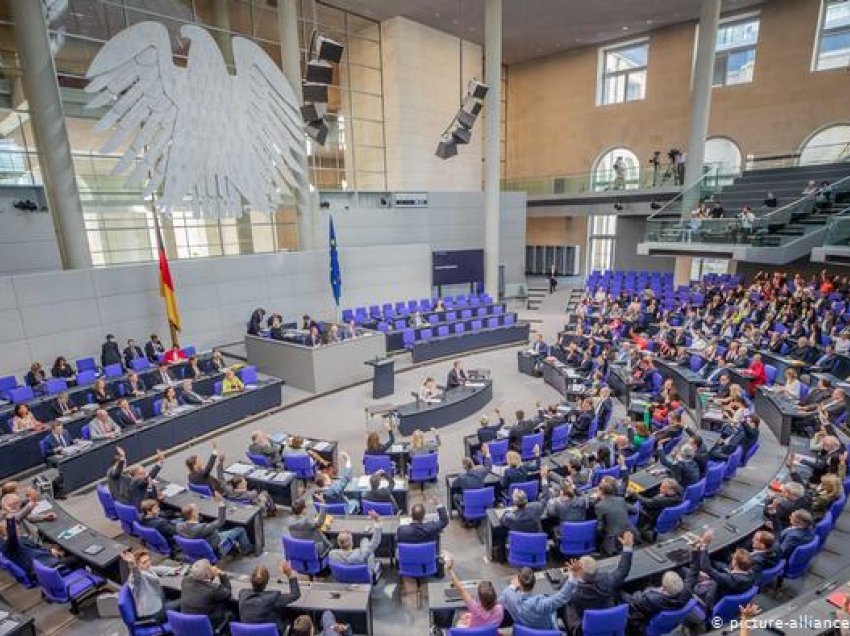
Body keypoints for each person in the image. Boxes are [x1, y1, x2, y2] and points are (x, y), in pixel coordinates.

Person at [563, 532, 634, 635]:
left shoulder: (573, 593)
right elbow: (622, 571)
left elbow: (563, 590)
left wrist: (572, 575)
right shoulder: (608, 580)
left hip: (587, 629)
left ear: (579, 572)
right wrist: (627, 548)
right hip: (610, 624)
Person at [498, 564, 579, 631]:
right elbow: (562, 597)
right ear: (534, 581)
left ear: (519, 582)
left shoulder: (509, 596)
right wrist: (573, 575)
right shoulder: (542, 603)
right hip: (546, 631)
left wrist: (512, 586)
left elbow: (501, 600)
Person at [176, 492, 253, 556]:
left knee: (218, 526)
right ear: (193, 514)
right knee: (240, 529)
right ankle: (247, 549)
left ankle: (233, 550)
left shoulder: (179, 526)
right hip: (215, 542)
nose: (198, 511)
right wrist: (221, 505)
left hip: (201, 543)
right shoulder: (201, 528)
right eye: (196, 510)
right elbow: (220, 521)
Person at [121, 548, 178, 625]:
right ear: (138, 565)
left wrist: (176, 570)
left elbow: (159, 569)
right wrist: (133, 565)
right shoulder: (136, 578)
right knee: (185, 602)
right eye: (144, 562)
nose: (148, 563)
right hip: (152, 614)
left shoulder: (147, 569)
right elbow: (136, 576)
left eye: (148, 560)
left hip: (158, 603)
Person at [237, 561, 301, 630]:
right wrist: (290, 574)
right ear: (267, 581)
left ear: (251, 580)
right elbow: (295, 594)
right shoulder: (273, 598)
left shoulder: (242, 594)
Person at [445, 556, 503, 629]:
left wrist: (450, 570)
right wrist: (471, 616)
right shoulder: (499, 610)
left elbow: (461, 589)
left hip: (473, 633)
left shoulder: (475, 608)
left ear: (480, 599)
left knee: (458, 617)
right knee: (467, 616)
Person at [624, 571, 692, 634]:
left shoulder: (649, 599)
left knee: (619, 592)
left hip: (641, 627)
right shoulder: (685, 597)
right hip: (663, 624)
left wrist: (642, 592)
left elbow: (635, 602)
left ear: (664, 587)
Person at [329, 509, 383, 581]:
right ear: (351, 542)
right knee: (368, 551)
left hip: (343, 580)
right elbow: (375, 542)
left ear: (338, 543)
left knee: (365, 544)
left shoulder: (332, 554)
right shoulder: (360, 554)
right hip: (363, 581)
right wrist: (377, 520)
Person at [180, 559, 232, 631]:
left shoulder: (185, 581)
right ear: (208, 574)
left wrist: (210, 574)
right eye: (210, 567)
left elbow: (204, 582)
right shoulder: (213, 589)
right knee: (231, 612)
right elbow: (227, 593)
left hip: (186, 624)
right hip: (206, 625)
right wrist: (222, 575)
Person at [593, 478, 635, 556]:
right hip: (630, 533)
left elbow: (600, 528)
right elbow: (634, 511)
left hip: (614, 540)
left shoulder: (599, 506)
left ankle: (598, 550)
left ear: (601, 492)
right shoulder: (620, 500)